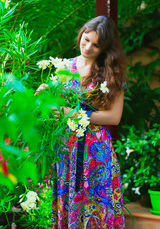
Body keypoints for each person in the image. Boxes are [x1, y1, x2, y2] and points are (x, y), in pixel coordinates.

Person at [50, 15, 127, 229]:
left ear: (105, 48)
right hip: (65, 150)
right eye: (86, 39)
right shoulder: (64, 66)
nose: (88, 47)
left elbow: (113, 117)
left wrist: (72, 113)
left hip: (95, 152)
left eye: (96, 45)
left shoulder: (112, 73)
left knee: (97, 207)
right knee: (66, 205)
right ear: (81, 33)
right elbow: (50, 102)